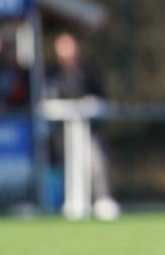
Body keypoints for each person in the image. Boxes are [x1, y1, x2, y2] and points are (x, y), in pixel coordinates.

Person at [46, 31, 119, 221]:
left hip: (90, 130)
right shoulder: (53, 74)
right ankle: (69, 201)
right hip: (62, 133)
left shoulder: (89, 71)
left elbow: (101, 98)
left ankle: (103, 198)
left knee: (96, 157)